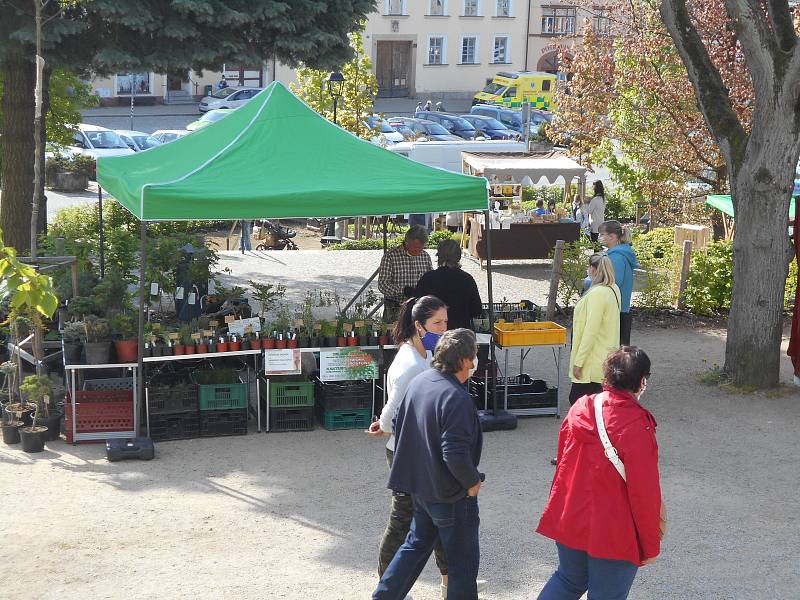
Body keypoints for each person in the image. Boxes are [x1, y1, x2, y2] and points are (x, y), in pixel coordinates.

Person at [536, 347, 664, 600]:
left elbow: (563, 463)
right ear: (642, 381)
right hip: (614, 529)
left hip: (572, 515)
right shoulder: (637, 424)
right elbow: (644, 493)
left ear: (607, 377)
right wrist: (650, 544)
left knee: (568, 580)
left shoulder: (581, 407)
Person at [373, 328, 484, 600]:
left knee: (414, 546)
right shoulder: (457, 398)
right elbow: (454, 453)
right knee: (462, 565)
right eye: (475, 356)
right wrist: (472, 482)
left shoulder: (421, 382)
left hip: (420, 488)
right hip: (450, 494)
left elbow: (399, 424)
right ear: (466, 361)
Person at [366, 296, 450, 589]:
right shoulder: (411, 363)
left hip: (421, 448)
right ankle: (387, 584)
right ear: (419, 325)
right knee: (404, 521)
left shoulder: (421, 352)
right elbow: (394, 406)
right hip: (407, 453)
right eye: (437, 323)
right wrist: (385, 425)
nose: (443, 328)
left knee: (439, 516)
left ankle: (448, 581)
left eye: (445, 322)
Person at [569, 254, 620, 405]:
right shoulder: (613, 289)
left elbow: (591, 331)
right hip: (605, 358)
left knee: (578, 402)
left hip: (592, 362)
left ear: (593, 269)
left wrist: (579, 362)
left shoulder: (597, 293)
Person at [415, 239, 482, 330]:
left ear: (439, 256)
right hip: (460, 334)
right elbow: (477, 310)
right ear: (458, 257)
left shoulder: (427, 278)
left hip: (434, 334)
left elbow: (417, 308)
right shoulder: (467, 279)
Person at [378, 226, 433, 322]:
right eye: (415, 248)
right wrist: (403, 290)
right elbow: (383, 285)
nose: (418, 251)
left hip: (419, 309)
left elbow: (431, 280)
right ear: (406, 242)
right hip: (396, 308)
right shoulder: (390, 257)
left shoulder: (425, 256)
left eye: (420, 248)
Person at [599, 220, 639, 345]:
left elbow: (612, 282)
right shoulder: (620, 253)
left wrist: (590, 281)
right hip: (620, 308)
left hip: (615, 310)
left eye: (602, 234)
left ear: (612, 237)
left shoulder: (616, 257)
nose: (600, 237)